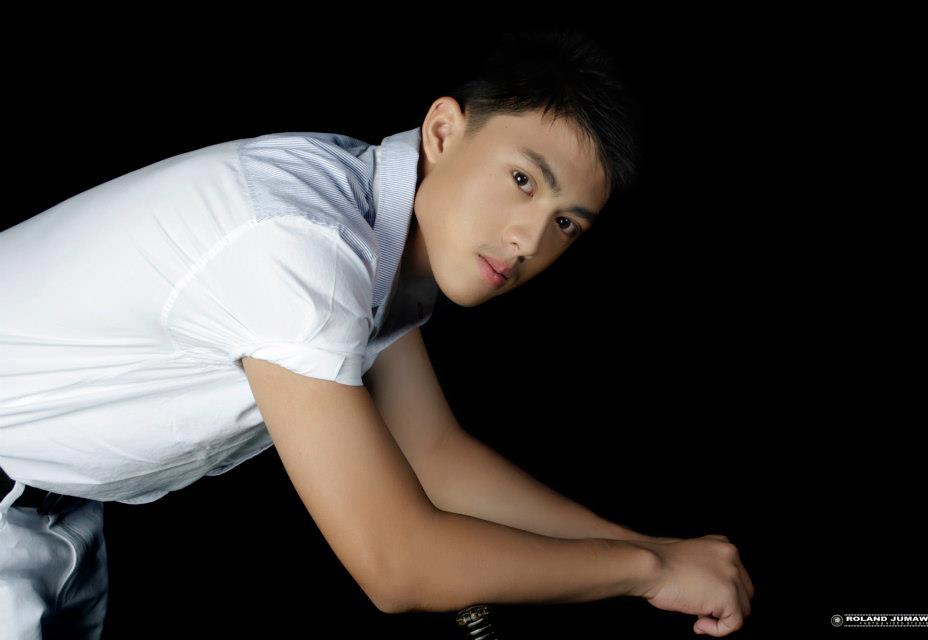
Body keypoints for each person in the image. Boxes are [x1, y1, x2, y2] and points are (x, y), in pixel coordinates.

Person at [0, 27, 754, 639]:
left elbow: (434, 455)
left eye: (565, 225)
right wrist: (649, 574)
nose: (528, 240)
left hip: (56, 512)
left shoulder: (374, 226)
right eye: (523, 180)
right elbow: (398, 565)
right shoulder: (304, 243)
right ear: (444, 131)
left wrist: (650, 549)